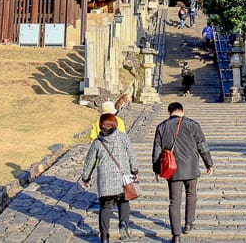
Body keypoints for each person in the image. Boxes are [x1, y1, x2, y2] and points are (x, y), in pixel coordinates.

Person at [152, 102, 214, 243]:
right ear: (182, 111)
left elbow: (157, 149)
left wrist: (156, 169)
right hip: (191, 167)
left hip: (172, 169)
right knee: (191, 194)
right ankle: (188, 223)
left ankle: (176, 235)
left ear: (169, 113)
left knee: (174, 201)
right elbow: (202, 145)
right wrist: (208, 163)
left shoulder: (161, 127)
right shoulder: (193, 125)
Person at [82, 113, 139, 242]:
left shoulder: (97, 142)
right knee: (124, 201)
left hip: (105, 181)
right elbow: (131, 155)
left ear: (101, 125)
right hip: (122, 178)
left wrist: (86, 178)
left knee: (105, 208)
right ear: (115, 124)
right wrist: (135, 170)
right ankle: (124, 223)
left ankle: (104, 237)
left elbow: (89, 161)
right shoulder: (123, 137)